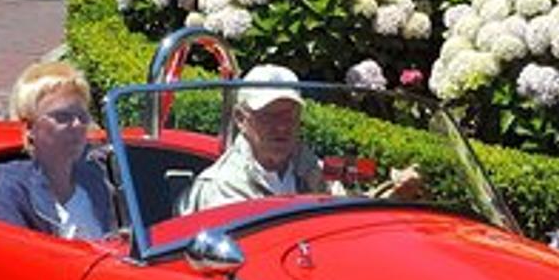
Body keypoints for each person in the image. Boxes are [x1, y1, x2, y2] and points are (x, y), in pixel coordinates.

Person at [181, 64, 424, 214]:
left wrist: (397, 192)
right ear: (241, 119)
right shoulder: (223, 186)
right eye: (269, 115)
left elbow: (352, 204)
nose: (282, 126)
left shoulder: (309, 163)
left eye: (290, 115)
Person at [0, 61, 119, 239]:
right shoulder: (7, 194)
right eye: (62, 117)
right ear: (30, 127)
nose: (77, 125)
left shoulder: (97, 178)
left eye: (82, 117)